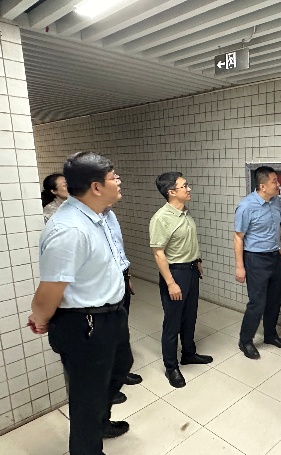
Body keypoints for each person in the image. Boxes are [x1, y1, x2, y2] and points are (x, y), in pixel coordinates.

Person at [28, 151, 133, 454]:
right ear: (96, 187)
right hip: (84, 322)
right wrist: (40, 317)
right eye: (113, 177)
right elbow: (49, 290)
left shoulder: (103, 214)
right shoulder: (70, 230)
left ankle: (100, 422)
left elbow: (111, 260)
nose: (119, 181)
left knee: (121, 366)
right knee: (88, 397)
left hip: (112, 313)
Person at [149, 172, 213, 389]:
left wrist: (197, 260)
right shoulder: (161, 218)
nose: (189, 188)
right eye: (184, 186)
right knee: (173, 322)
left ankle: (189, 353)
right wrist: (170, 282)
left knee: (190, 316)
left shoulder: (185, 212)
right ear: (171, 192)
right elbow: (159, 253)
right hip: (175, 273)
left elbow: (188, 241)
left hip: (191, 270)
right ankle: (171, 367)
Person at [234, 166, 281, 359]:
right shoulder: (246, 206)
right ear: (262, 186)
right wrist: (240, 266)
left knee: (275, 299)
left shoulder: (275, 201)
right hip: (255, 259)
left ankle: (270, 335)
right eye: (274, 181)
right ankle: (245, 340)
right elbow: (238, 237)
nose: (278, 184)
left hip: (274, 256)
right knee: (257, 303)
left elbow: (277, 226)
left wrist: (279, 248)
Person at [104, 208, 143, 405]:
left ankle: (120, 374)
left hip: (120, 277)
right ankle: (107, 385)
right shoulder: (81, 219)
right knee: (106, 335)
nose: (120, 193)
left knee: (121, 327)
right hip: (103, 285)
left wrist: (127, 277)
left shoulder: (109, 215)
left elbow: (118, 250)